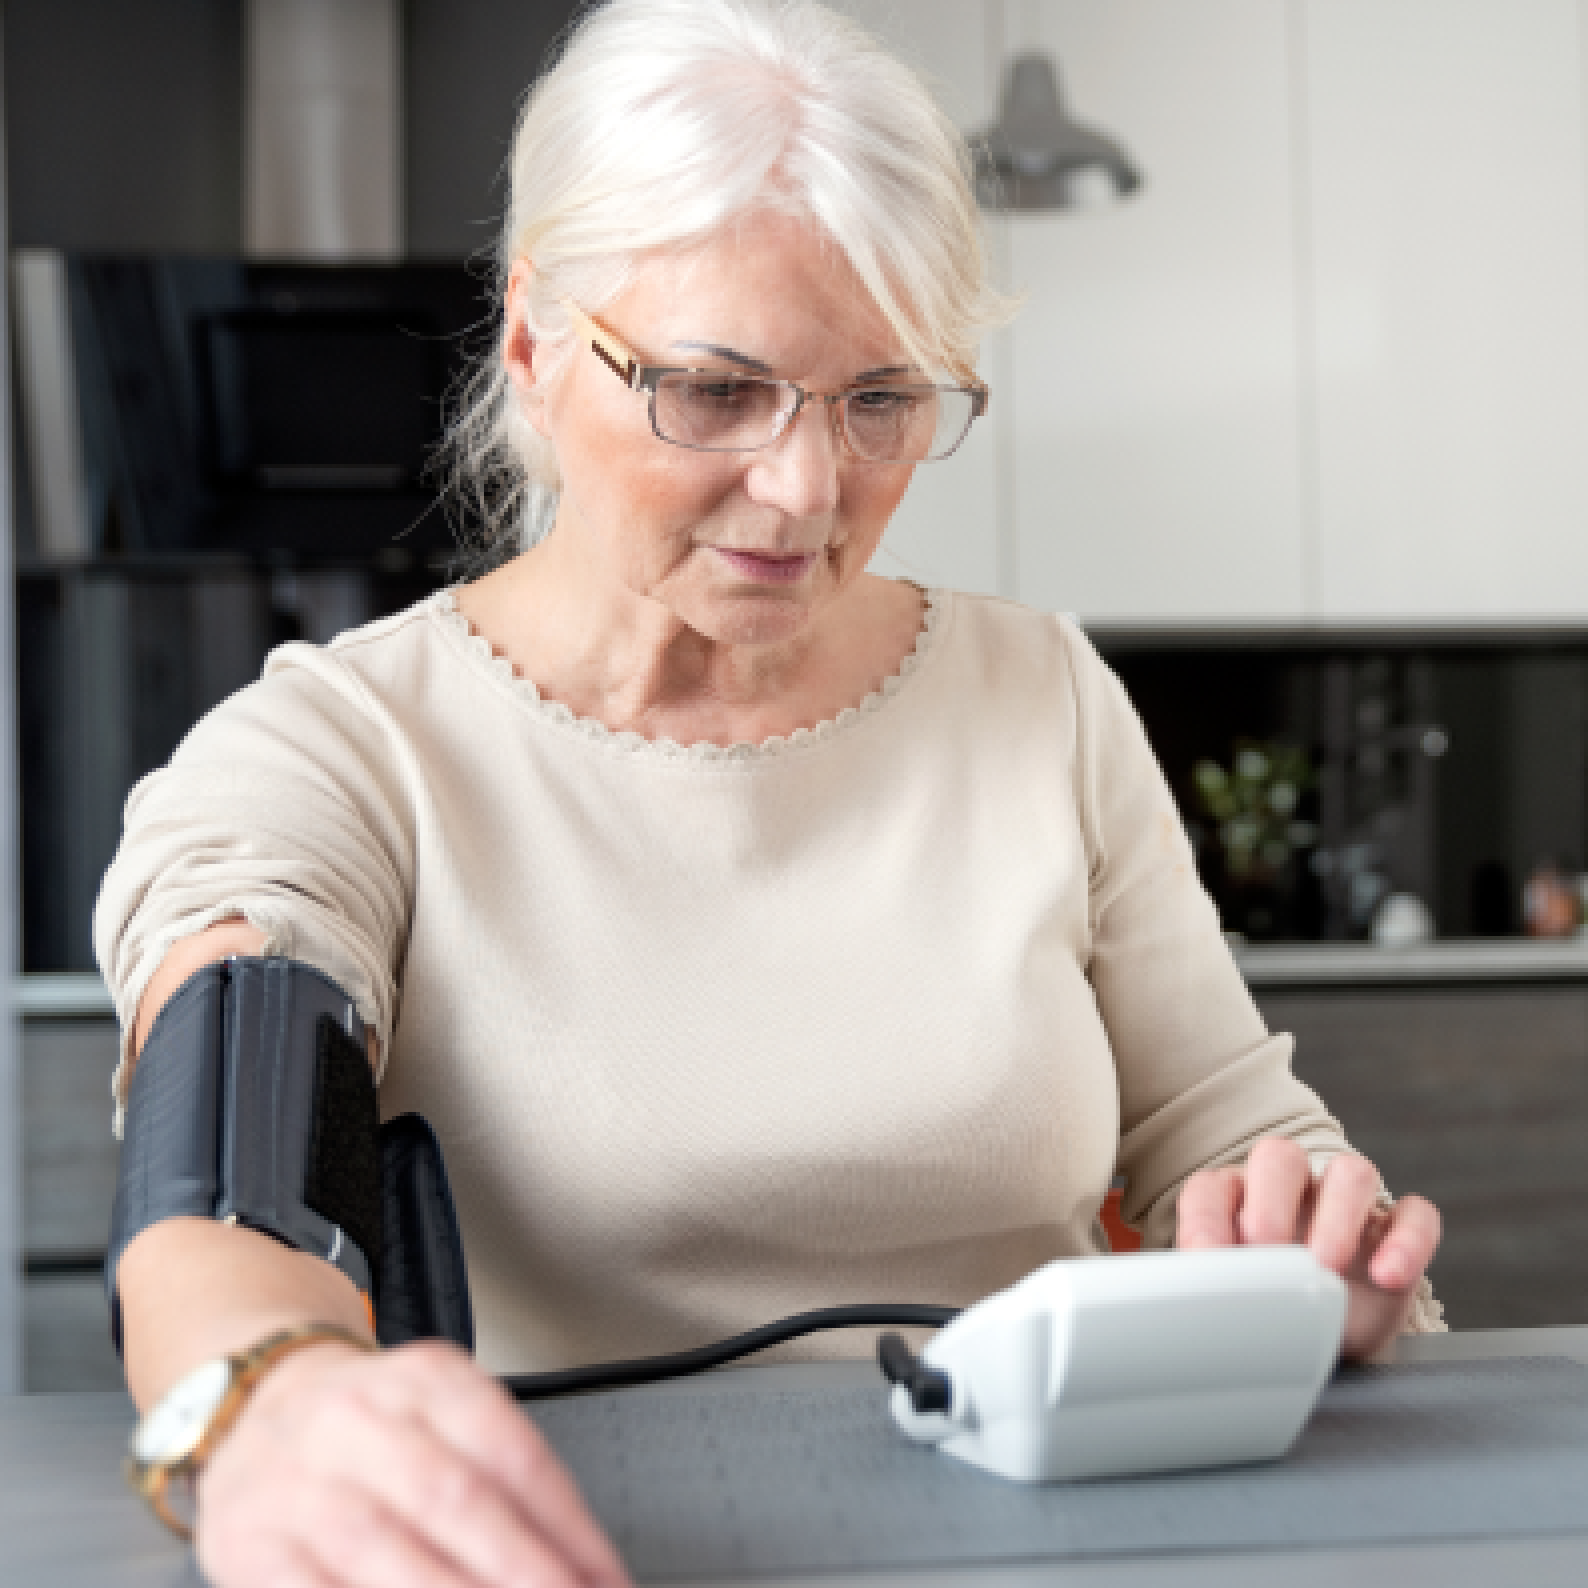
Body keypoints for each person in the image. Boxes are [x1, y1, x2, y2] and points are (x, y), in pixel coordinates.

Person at [96, 2, 1443, 1583]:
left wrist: (1301, 1241)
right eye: (716, 391)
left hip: (1082, 1545)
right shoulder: (344, 749)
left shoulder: (1045, 698)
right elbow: (231, 1179)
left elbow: (1231, 1132)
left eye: (881, 398)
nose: (809, 487)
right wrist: (272, 1398)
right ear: (535, 345)